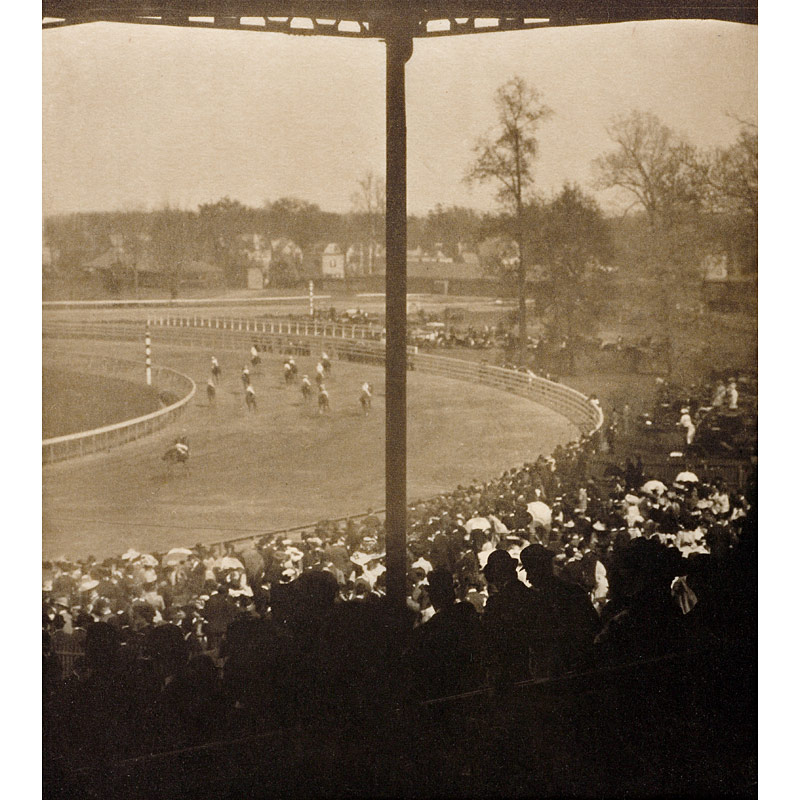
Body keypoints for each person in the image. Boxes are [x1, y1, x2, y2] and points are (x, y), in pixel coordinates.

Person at [519, 544, 599, 678]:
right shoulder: (574, 590)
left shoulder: (534, 600)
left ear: (540, 569)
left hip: (556, 672)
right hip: (580, 668)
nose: (527, 578)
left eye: (529, 571)